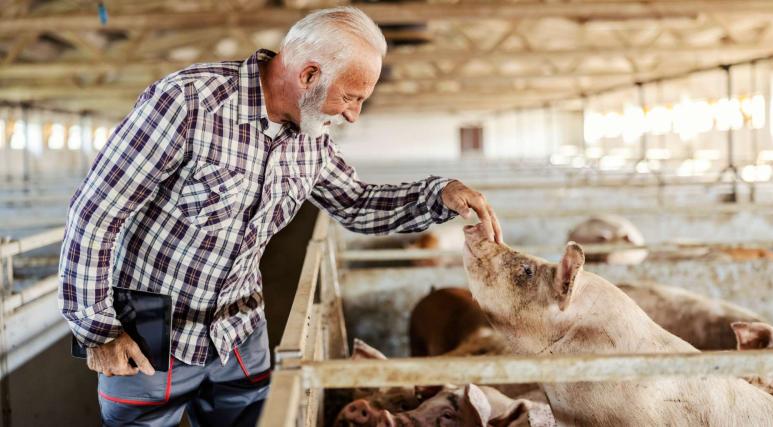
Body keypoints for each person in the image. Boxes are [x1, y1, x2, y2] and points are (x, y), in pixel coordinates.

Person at [58, 6, 502, 426]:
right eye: (350, 96)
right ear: (308, 75)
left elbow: (357, 203)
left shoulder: (312, 139)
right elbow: (97, 211)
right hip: (150, 337)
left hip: (240, 332)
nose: (352, 113)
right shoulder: (188, 102)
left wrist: (438, 195)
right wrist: (97, 330)